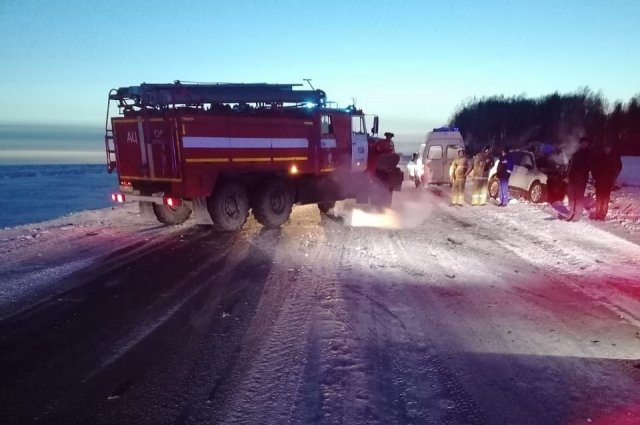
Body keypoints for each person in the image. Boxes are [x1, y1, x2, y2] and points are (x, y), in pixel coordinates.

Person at [591, 143, 622, 221]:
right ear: (603, 148)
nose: (607, 149)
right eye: (605, 147)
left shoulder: (614, 157)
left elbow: (618, 167)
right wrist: (595, 177)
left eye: (608, 147)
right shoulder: (599, 157)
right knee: (599, 198)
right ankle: (597, 214)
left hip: (609, 181)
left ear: (611, 148)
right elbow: (594, 168)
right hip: (599, 181)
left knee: (605, 198)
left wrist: (614, 177)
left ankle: (603, 215)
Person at [565, 136, 592, 221]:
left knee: (579, 197)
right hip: (572, 179)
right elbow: (570, 166)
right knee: (571, 196)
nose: (583, 145)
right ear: (580, 144)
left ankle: (577, 213)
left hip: (581, 179)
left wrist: (588, 177)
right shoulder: (575, 154)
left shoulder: (589, 155)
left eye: (585, 143)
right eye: (582, 143)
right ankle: (571, 212)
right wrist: (567, 176)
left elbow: (590, 167)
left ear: (587, 144)